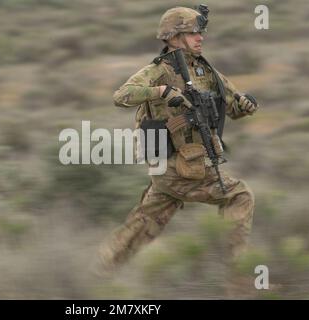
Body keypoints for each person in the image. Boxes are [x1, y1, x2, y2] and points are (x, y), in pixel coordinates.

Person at [96, 6, 259, 276]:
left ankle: (98, 276)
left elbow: (233, 108)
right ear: (173, 37)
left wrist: (245, 105)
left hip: (175, 170)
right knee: (240, 196)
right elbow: (122, 95)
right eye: (193, 33)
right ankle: (240, 280)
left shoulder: (207, 72)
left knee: (142, 226)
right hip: (180, 167)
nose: (200, 38)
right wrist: (160, 91)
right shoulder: (161, 70)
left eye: (200, 32)